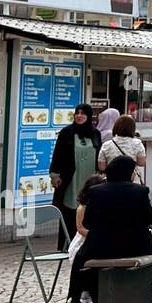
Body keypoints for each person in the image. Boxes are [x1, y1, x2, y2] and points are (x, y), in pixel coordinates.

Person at [64, 155, 152, 303]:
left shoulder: (95, 192)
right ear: (128, 172)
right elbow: (149, 219)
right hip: (136, 245)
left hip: (101, 246)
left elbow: (88, 222)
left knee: (80, 259)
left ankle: (75, 302)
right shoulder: (140, 191)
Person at [48, 103, 101, 250]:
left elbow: (100, 154)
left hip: (90, 179)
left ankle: (87, 244)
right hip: (71, 178)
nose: (79, 116)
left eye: (83, 113)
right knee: (69, 210)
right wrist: (55, 175)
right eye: (77, 113)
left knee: (88, 210)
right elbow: (57, 155)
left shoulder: (95, 134)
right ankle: (67, 244)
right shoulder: (67, 132)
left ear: (89, 116)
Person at [97, 115, 147, 179]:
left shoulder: (106, 145)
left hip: (111, 180)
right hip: (131, 180)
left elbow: (102, 167)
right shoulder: (137, 143)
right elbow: (141, 163)